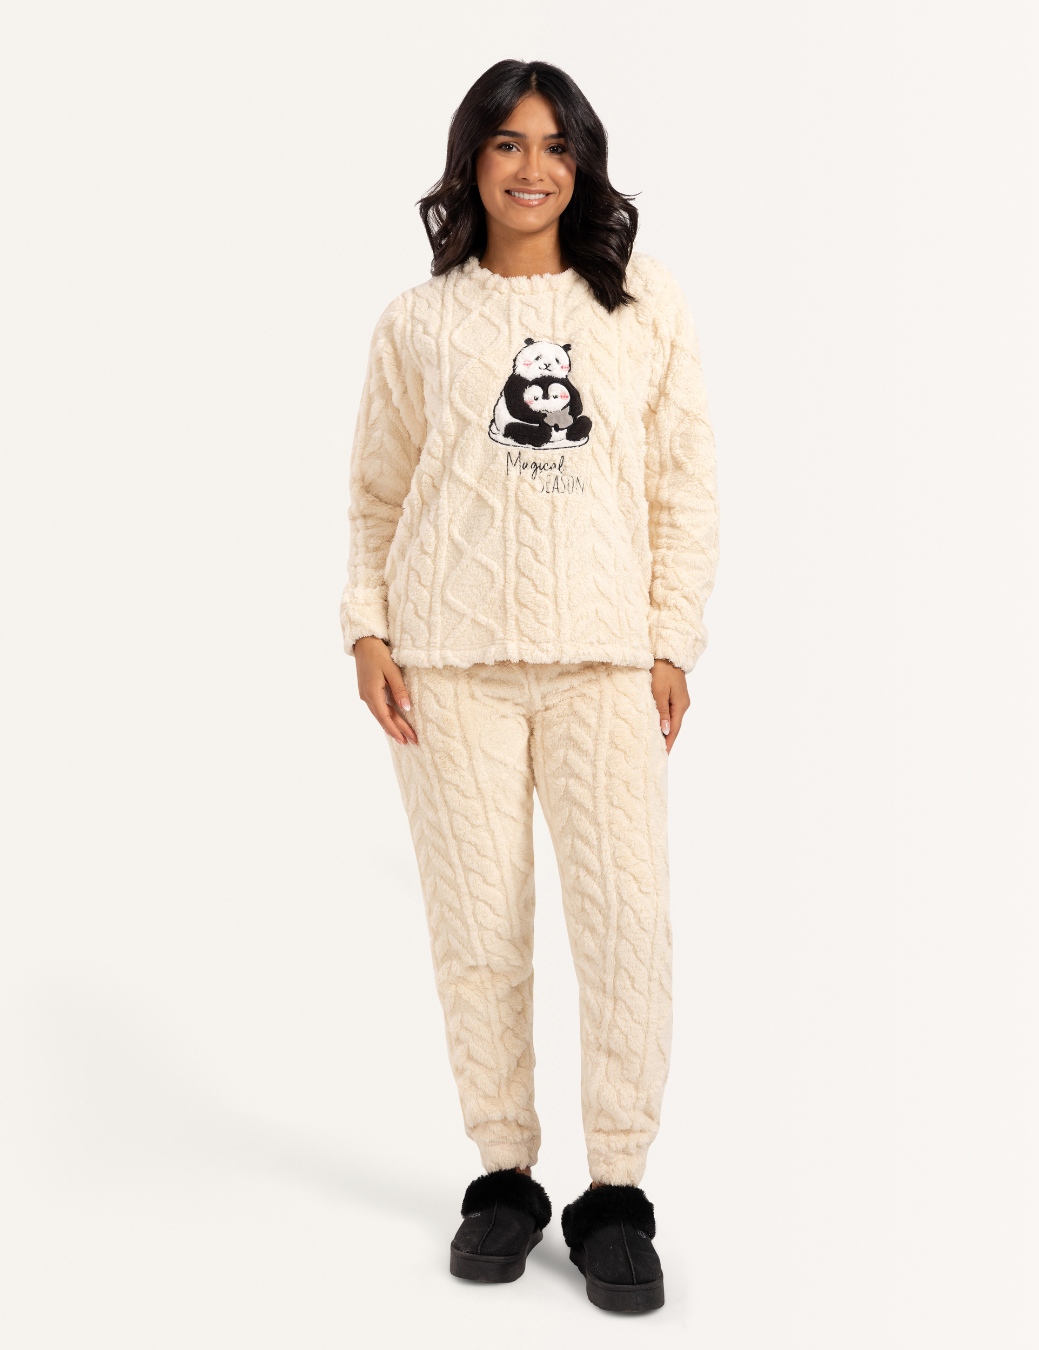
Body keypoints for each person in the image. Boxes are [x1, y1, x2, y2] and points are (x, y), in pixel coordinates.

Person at [341, 59, 718, 1314]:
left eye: (556, 146)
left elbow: (684, 482)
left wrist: (670, 641)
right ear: (472, 160)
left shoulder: (642, 305)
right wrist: (367, 629)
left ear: (583, 164)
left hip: (604, 663)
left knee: (625, 922)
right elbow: (377, 492)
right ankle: (504, 1174)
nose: (532, 168)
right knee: (478, 928)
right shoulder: (418, 322)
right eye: (507, 143)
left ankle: (615, 1192)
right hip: (448, 667)